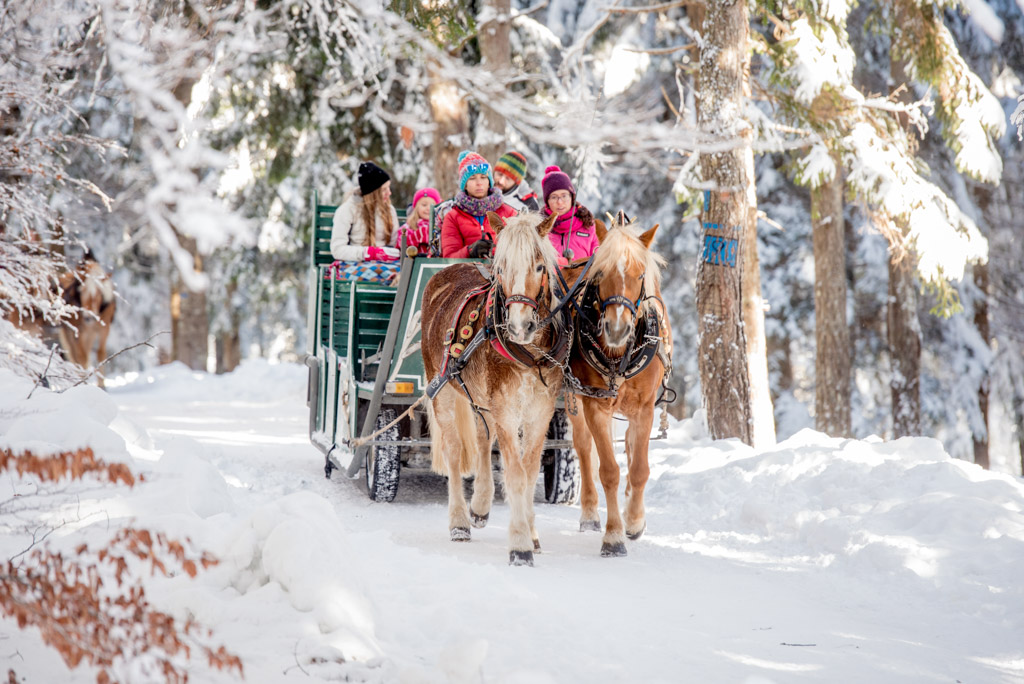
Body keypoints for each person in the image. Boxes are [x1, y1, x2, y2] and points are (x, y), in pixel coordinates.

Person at [440, 150, 516, 258]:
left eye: (483, 177)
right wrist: (470, 251)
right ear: (464, 185)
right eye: (472, 178)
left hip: (502, 272)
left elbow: (520, 250)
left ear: (489, 182)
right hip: (467, 273)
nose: (479, 183)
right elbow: (449, 257)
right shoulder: (453, 217)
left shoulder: (509, 213)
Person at [330, 161, 401, 263]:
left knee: (400, 276)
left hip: (385, 265)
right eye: (384, 189)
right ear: (373, 193)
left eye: (388, 188)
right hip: (356, 263)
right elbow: (337, 249)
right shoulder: (348, 210)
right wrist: (367, 253)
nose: (389, 193)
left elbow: (395, 244)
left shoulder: (389, 210)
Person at [541, 165, 601, 264]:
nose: (560, 202)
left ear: (572, 197)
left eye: (564, 196)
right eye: (554, 197)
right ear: (547, 201)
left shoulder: (587, 224)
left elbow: (597, 262)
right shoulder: (540, 228)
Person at [395, 187, 440, 256]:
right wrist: (418, 235)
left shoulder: (439, 225)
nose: (428, 208)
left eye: (432, 206)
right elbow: (400, 244)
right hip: (413, 262)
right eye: (424, 205)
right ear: (416, 207)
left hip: (434, 262)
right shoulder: (409, 226)